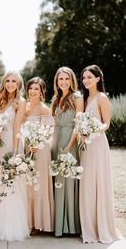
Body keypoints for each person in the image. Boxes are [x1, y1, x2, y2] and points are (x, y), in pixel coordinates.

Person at [79, 65, 123, 243]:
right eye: (84, 78)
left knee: (99, 181)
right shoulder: (85, 98)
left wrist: (94, 130)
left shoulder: (101, 97)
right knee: (87, 183)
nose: (86, 80)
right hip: (85, 145)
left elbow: (107, 123)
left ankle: (102, 227)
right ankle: (89, 226)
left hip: (97, 144)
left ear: (98, 79)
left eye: (89, 77)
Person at [0, 71, 30, 241]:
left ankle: (12, 225)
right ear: (3, 82)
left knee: (11, 182)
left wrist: (15, 153)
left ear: (19, 84)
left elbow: (17, 127)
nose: (10, 84)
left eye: (14, 81)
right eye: (8, 81)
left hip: (12, 143)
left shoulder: (21, 101)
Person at [51, 66, 83, 237]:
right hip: (56, 139)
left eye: (66, 79)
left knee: (68, 180)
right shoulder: (57, 98)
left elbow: (78, 123)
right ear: (57, 81)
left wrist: (70, 146)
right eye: (60, 79)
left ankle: (70, 225)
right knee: (57, 179)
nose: (63, 82)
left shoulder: (77, 97)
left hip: (70, 139)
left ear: (72, 80)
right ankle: (59, 224)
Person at [24, 77, 54, 234]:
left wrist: (37, 144)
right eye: (31, 88)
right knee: (28, 185)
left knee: (39, 184)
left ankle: (40, 223)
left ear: (42, 91)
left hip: (40, 151)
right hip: (27, 149)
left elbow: (48, 132)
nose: (33, 91)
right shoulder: (25, 107)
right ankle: (30, 221)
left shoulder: (44, 109)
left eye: (37, 88)